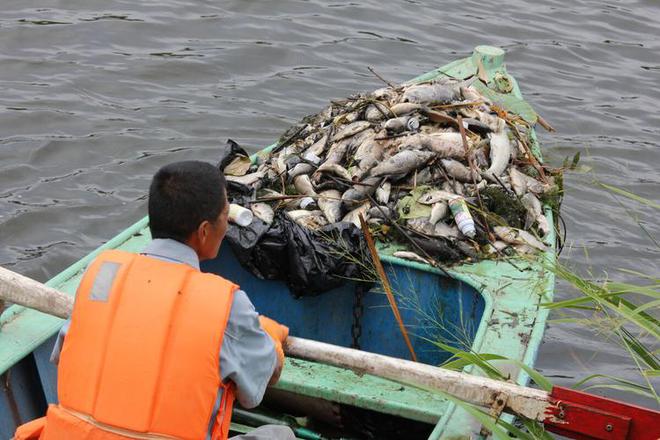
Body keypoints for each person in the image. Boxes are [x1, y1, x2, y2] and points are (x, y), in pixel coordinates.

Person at [14, 161, 294, 440]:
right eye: (225, 214)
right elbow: (259, 382)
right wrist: (269, 337)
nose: (227, 222)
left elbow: (63, 355)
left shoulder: (102, 273)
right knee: (281, 435)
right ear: (204, 231)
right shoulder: (226, 303)